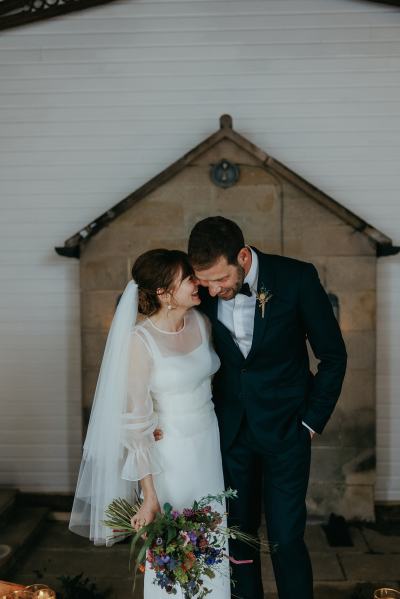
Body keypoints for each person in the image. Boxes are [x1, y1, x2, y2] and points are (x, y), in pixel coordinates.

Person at [187, 216, 347, 599]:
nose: (211, 289)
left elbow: (333, 356)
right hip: (231, 435)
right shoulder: (204, 293)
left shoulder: (296, 279)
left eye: (220, 279)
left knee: (285, 537)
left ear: (243, 256)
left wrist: (310, 422)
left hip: (288, 432)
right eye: (204, 281)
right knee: (237, 538)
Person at [69, 248, 230, 598]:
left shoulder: (202, 323)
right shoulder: (139, 342)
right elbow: (137, 424)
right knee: (177, 551)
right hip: (170, 454)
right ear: (162, 292)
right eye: (187, 277)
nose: (196, 281)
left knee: (213, 541)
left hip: (208, 444)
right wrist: (149, 495)